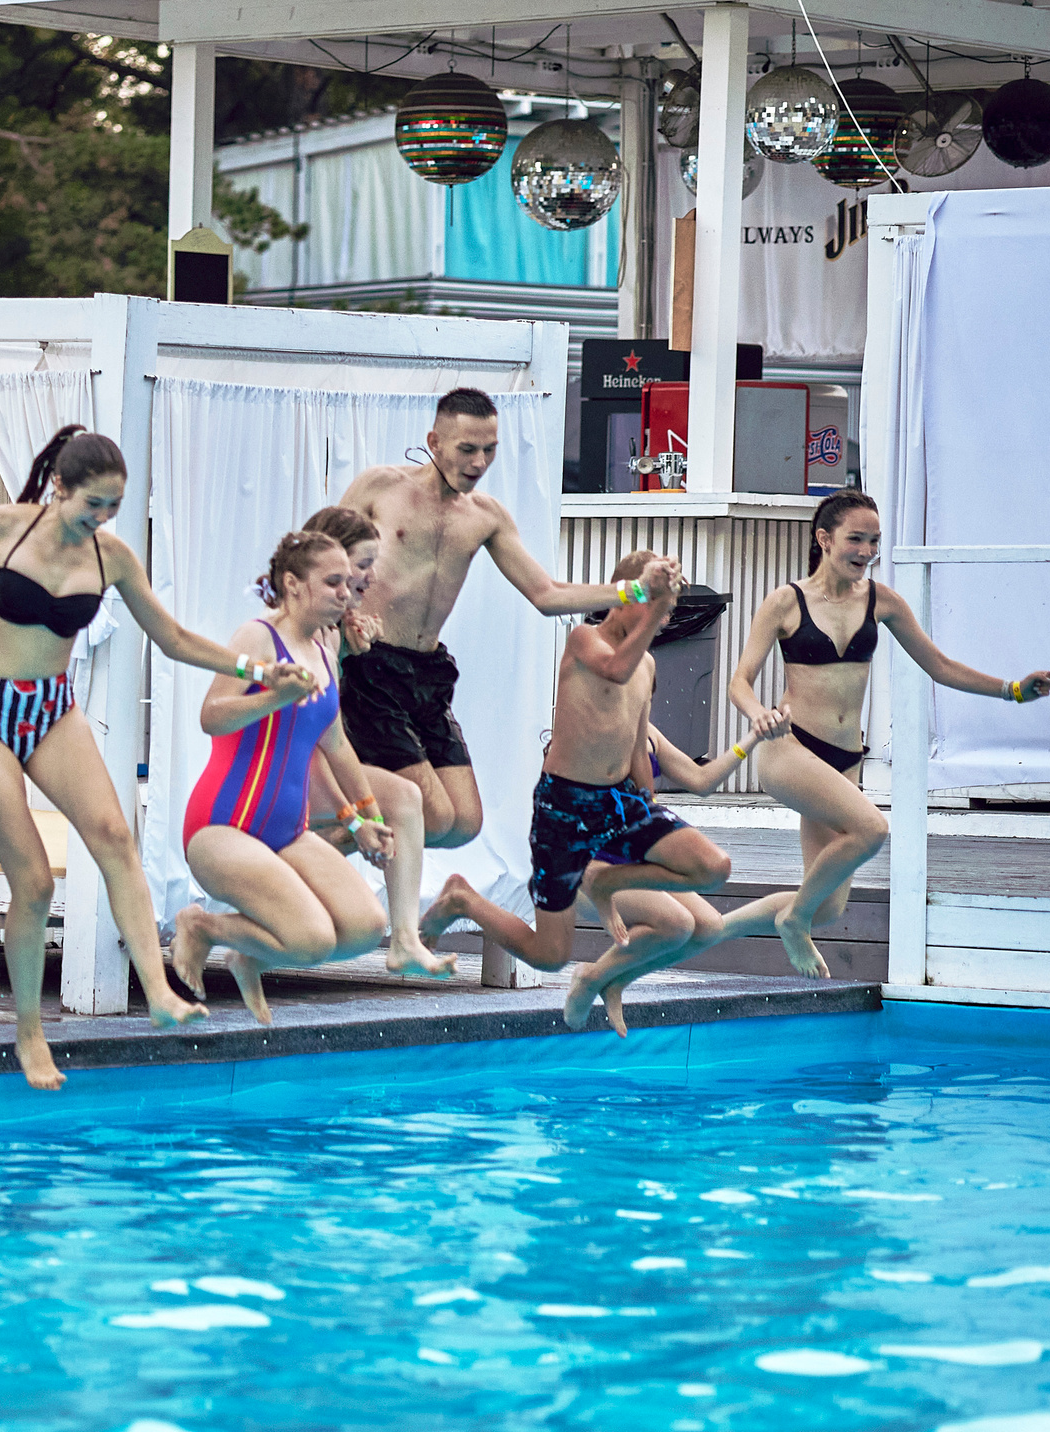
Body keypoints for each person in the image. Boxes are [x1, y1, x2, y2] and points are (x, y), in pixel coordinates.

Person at [0, 425, 298, 1090]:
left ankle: (160, 989)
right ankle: (30, 1033)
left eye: (112, 507)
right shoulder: (5, 528)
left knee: (118, 836)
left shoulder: (109, 554)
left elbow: (170, 636)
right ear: (60, 487)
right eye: (93, 504)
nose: (101, 518)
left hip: (52, 709)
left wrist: (253, 668)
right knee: (33, 880)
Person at [698, 489, 1050, 978]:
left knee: (827, 906)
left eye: (874, 542)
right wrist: (758, 713)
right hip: (791, 749)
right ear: (825, 539)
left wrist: (1012, 690)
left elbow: (941, 666)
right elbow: (740, 681)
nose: (866, 552)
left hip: (845, 761)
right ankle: (793, 922)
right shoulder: (787, 601)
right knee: (871, 830)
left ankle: (710, 932)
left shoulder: (881, 601)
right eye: (856, 539)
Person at [417, 552, 772, 1030]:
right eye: (658, 608)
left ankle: (608, 909)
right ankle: (464, 900)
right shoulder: (584, 640)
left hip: (620, 805)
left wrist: (647, 808)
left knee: (712, 869)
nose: (664, 620)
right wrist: (649, 604)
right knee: (549, 954)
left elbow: (634, 744)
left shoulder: (646, 663)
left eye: (666, 612)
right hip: (564, 809)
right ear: (625, 599)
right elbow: (614, 670)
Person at [339, 388, 678, 847]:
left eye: (489, 450)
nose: (479, 463)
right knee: (431, 817)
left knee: (465, 824)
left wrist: (638, 589)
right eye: (466, 449)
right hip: (371, 669)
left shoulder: (486, 516)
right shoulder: (379, 487)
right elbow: (320, 560)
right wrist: (347, 618)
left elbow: (547, 593)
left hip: (427, 673)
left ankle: (344, 819)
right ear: (433, 441)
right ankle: (334, 815)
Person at [171, 532, 396, 1024]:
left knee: (365, 927)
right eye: (333, 581)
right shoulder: (258, 637)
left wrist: (365, 821)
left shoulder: (325, 645)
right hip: (222, 826)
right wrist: (274, 695)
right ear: (293, 585)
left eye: (348, 581)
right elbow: (211, 717)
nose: (346, 590)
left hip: (286, 832)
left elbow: (336, 744)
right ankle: (202, 925)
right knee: (312, 937)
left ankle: (250, 956)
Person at [296, 504, 453, 980]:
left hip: (308, 760)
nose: (371, 575)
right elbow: (323, 734)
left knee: (405, 799)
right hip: (284, 769)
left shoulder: (332, 624)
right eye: (363, 564)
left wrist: (350, 645)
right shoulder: (301, 625)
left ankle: (405, 941)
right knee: (378, 813)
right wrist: (356, 811)